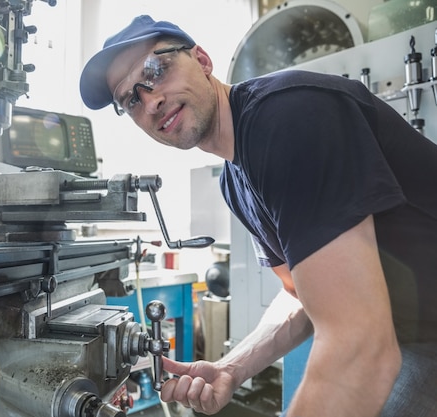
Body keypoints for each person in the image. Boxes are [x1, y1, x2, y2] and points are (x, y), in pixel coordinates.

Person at [79, 15, 437, 417]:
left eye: (156, 70)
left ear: (202, 59)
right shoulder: (235, 181)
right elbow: (299, 294)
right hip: (410, 335)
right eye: (131, 99)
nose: (150, 101)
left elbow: (360, 346)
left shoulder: (289, 117)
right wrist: (232, 369)